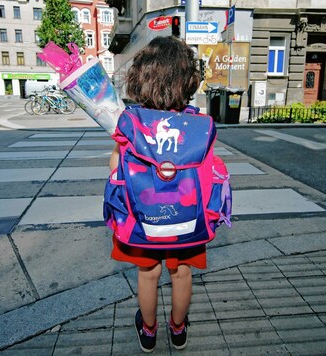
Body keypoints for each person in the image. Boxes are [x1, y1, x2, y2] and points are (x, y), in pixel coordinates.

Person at [108, 36, 203, 353]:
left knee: (148, 275)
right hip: (186, 216)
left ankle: (149, 331)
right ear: (186, 80)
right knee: (182, 273)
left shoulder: (131, 122)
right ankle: (178, 329)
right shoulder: (195, 122)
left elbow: (114, 166)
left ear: (142, 77)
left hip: (143, 216)